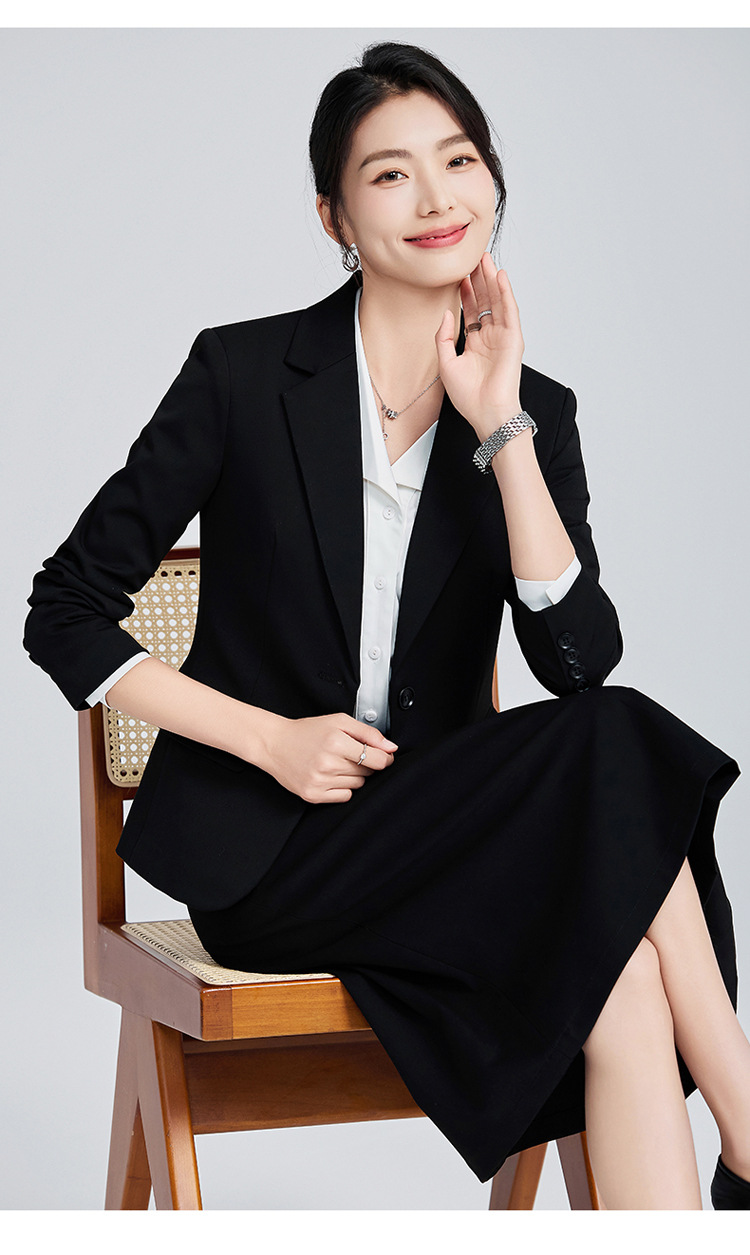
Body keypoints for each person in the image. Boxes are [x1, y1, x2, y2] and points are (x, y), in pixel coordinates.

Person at [23, 40, 748, 1210]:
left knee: (621, 979)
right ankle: (749, 1122)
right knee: (618, 755)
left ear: (493, 181)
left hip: (445, 842)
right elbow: (62, 610)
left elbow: (577, 661)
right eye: (391, 174)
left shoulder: (535, 412)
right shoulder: (242, 375)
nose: (436, 196)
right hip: (272, 859)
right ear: (336, 217)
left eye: (458, 161)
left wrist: (499, 427)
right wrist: (270, 738)